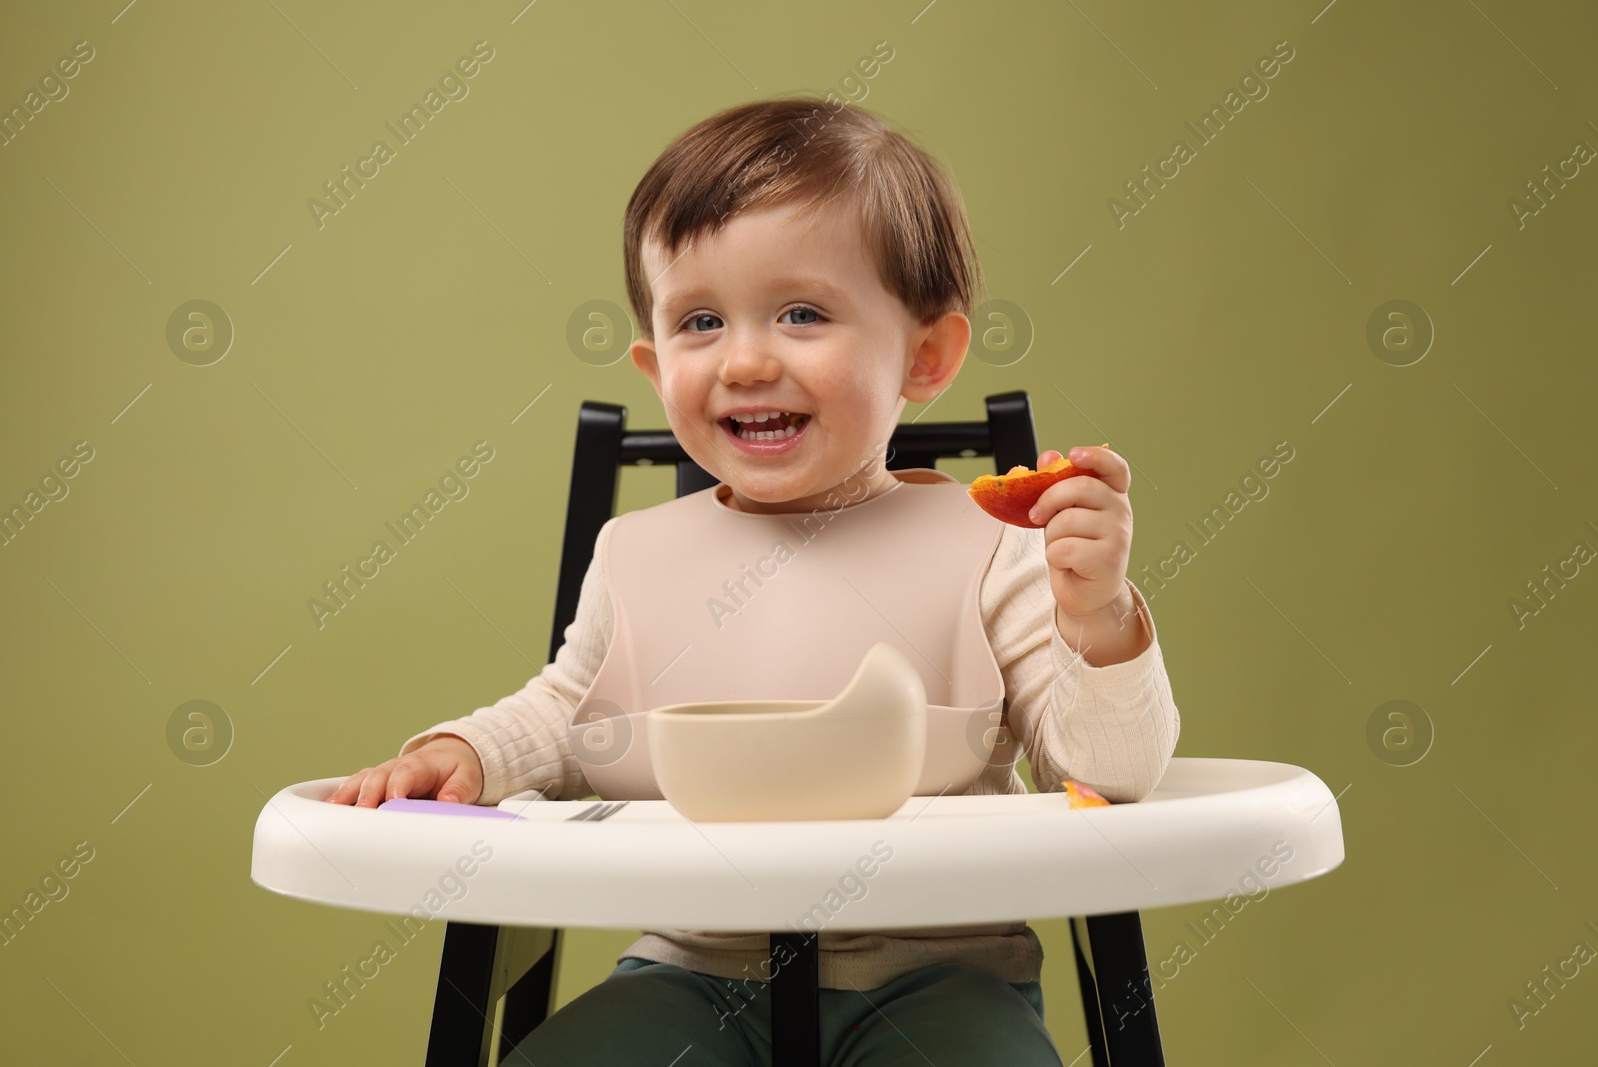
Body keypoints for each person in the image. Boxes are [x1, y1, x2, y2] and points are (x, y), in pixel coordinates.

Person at [327, 93, 1180, 1065]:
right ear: (654, 365)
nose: (743, 359)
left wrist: (1096, 613)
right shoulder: (634, 553)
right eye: (699, 321)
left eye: (802, 312)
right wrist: (468, 754)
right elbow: (567, 714)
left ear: (926, 354)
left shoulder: (987, 544)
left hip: (938, 971)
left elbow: (1105, 774)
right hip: (696, 972)